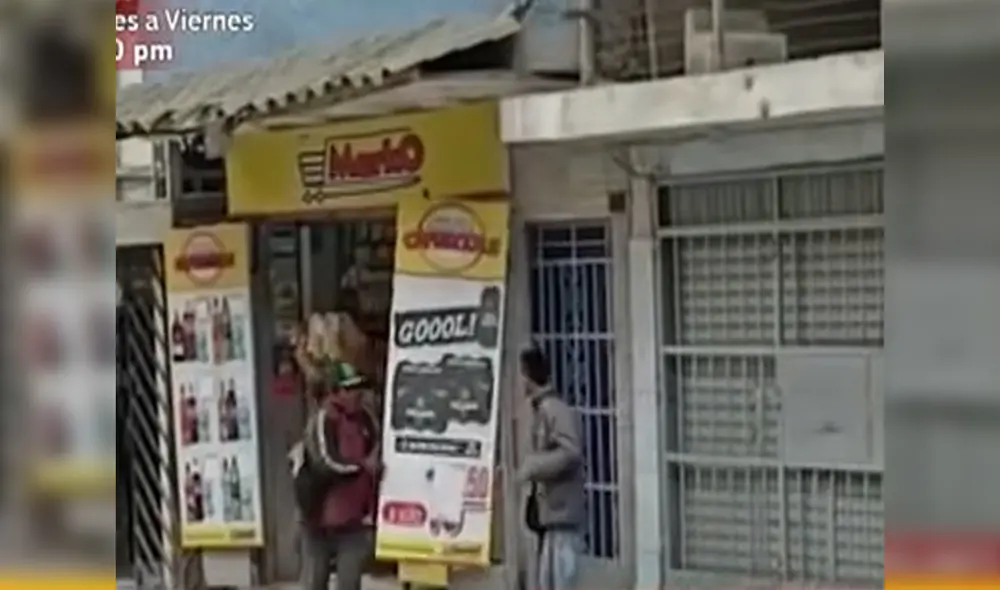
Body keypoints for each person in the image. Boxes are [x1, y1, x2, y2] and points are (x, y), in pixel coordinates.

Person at [297, 361, 382, 590]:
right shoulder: (323, 420)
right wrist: (363, 466)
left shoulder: (367, 419)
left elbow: (377, 453)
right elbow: (325, 462)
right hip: (319, 520)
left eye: (358, 388)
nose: (355, 394)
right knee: (315, 581)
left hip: (353, 521)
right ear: (335, 392)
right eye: (348, 388)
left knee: (349, 583)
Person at [516, 346, 586, 590]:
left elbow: (571, 452)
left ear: (528, 375)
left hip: (563, 515)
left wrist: (535, 466)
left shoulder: (554, 409)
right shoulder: (541, 409)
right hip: (550, 516)